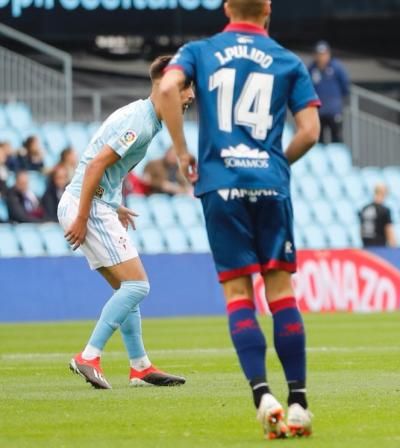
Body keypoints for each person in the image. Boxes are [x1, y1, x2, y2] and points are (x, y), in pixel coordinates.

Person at [157, 0, 321, 438]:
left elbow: (168, 89)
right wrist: (277, 165)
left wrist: (182, 152)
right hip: (270, 183)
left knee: (238, 294)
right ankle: (299, 403)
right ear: (268, 10)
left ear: (228, 7)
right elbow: (310, 130)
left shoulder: (199, 51)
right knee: (281, 291)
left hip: (220, 184)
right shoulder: (288, 60)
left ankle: (263, 395)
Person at [59, 55, 192, 390]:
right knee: (138, 286)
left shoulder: (144, 117)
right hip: (87, 205)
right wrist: (84, 214)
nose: (190, 96)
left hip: (93, 202)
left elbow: (101, 166)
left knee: (126, 290)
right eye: (186, 88)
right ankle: (89, 356)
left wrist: (113, 204)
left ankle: (140, 367)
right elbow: (94, 166)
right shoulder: (140, 123)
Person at [309, 40, 350, 143]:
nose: (321, 57)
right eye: (319, 54)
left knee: (337, 139)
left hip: (333, 111)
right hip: (318, 112)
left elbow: (345, 86)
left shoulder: (336, 67)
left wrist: (338, 102)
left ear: (328, 54)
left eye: (323, 54)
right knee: (318, 140)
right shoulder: (312, 69)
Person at [359, 183, 396, 248]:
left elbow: (361, 231)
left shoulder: (364, 209)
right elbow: (389, 231)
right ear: (384, 193)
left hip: (366, 248)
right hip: (380, 248)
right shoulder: (384, 210)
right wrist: (394, 248)